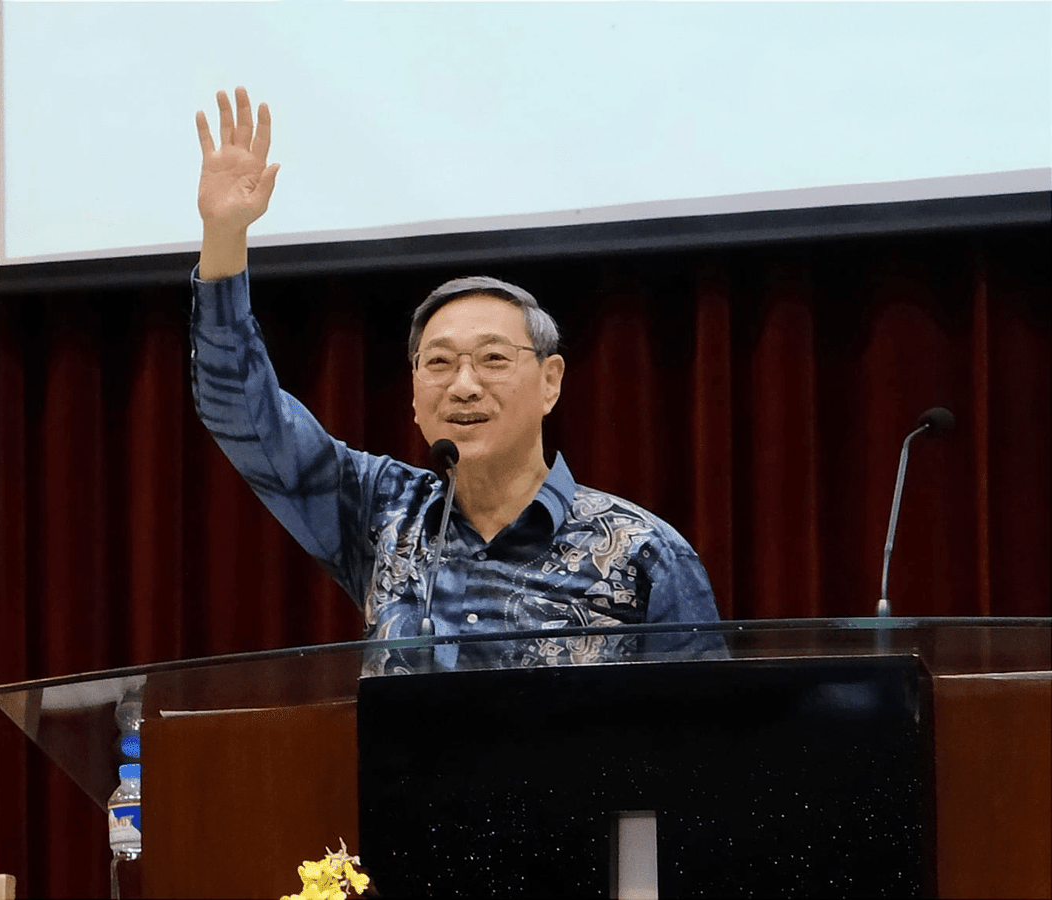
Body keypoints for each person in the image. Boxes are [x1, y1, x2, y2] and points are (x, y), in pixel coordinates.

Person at [190, 88, 720, 674]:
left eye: (493, 360)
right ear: (414, 394)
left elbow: (702, 742)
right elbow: (241, 411)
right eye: (438, 363)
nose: (463, 386)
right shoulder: (383, 513)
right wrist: (224, 238)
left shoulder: (642, 553)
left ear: (551, 381)